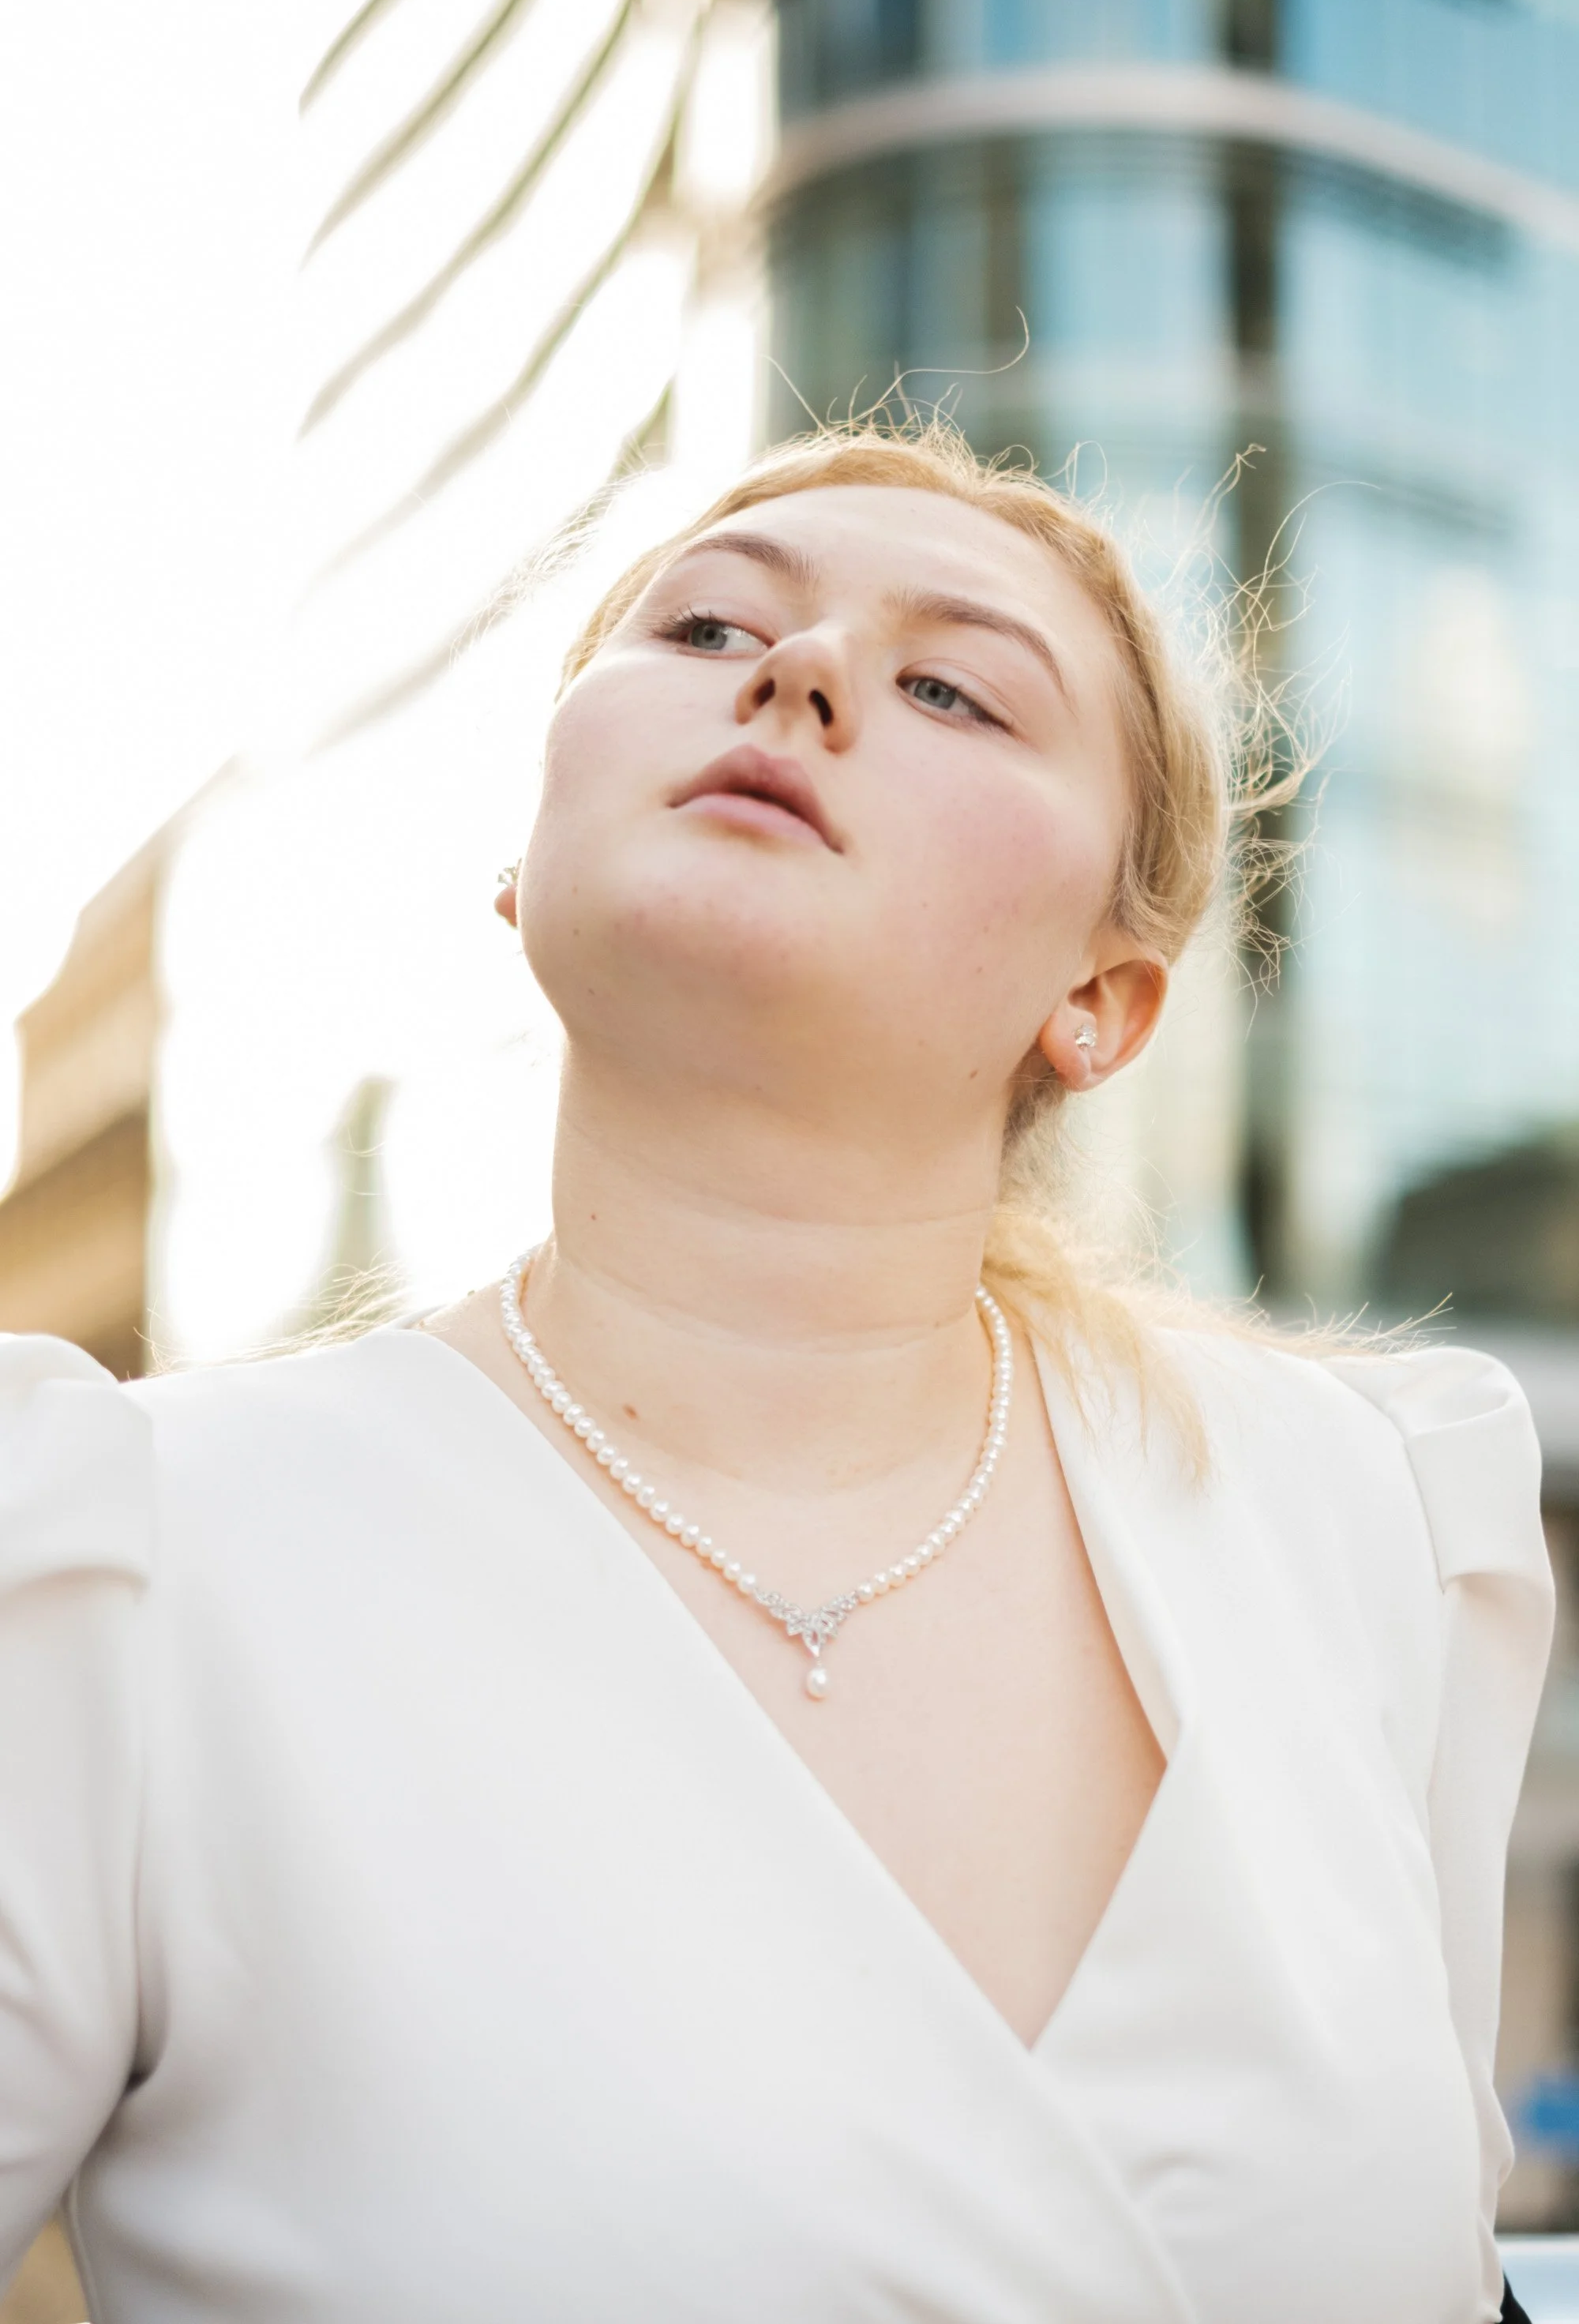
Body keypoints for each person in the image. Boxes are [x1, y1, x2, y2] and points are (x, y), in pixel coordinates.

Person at [0, 425, 1551, 2324]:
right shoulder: (119, 1571)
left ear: (1101, 998)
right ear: (518, 862)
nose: (793, 674)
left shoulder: (1358, 1513)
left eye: (947, 690)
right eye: (706, 624)